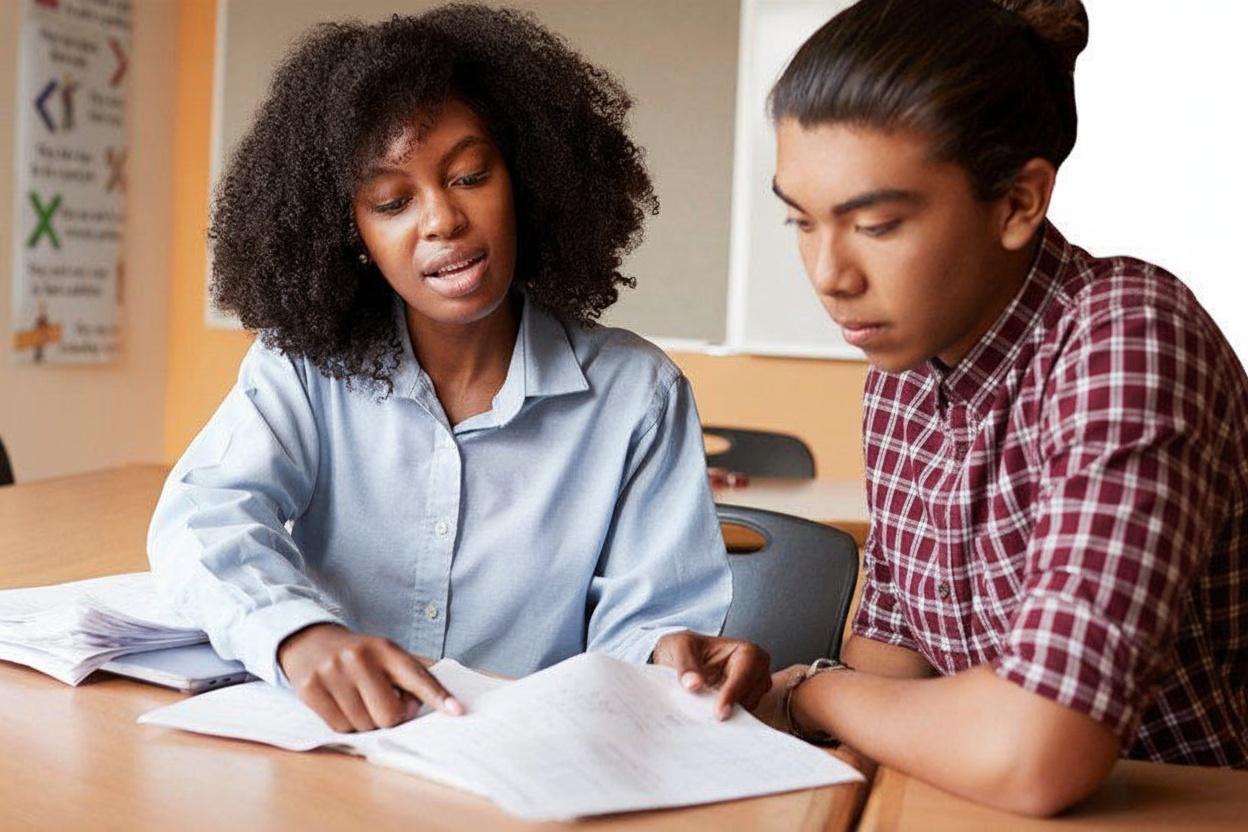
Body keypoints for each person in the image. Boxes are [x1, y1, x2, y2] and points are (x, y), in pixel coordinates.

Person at [148, 4, 769, 734]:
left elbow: (644, 628)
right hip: (332, 754)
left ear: (528, 181)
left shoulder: (637, 395)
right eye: (391, 200)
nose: (441, 219)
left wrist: (671, 655)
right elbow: (203, 519)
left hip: (526, 768)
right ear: (352, 232)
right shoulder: (303, 368)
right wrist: (294, 633)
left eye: (470, 175)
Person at [753, 0, 1248, 817]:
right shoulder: (902, 375)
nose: (828, 274)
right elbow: (892, 660)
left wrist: (810, 692)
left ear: (1020, 201)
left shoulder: (1127, 338)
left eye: (874, 224)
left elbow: (1039, 753)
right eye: (800, 222)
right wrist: (776, 696)